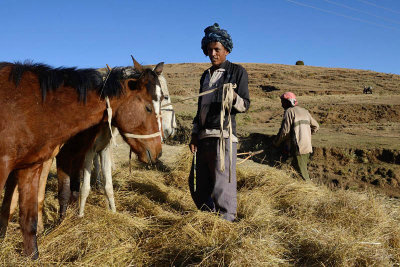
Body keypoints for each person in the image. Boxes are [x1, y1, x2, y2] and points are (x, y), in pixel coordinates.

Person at [188, 23, 250, 222]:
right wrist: (195, 134)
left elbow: (245, 105)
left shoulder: (237, 72)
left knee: (222, 184)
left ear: (227, 50)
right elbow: (200, 108)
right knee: (200, 184)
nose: (213, 54)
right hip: (204, 137)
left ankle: (226, 222)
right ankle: (207, 219)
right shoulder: (205, 76)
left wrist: (232, 96)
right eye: (210, 50)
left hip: (223, 136)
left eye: (217, 49)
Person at [273, 92, 319, 181]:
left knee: (303, 176)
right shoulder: (305, 111)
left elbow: (284, 132)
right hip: (307, 146)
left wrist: (276, 143)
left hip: (298, 148)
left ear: (288, 102)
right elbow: (316, 126)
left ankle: (310, 191)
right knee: (297, 172)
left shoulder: (289, 112)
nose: (281, 104)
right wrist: (306, 134)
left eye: (283, 101)